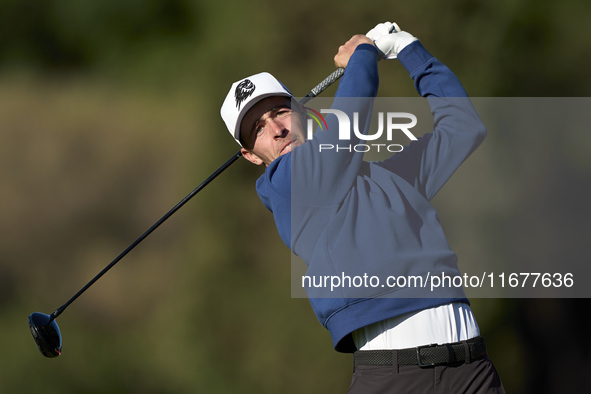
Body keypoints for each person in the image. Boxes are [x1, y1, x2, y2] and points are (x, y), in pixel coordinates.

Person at [220, 22, 504, 393]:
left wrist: (409, 49)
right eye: (257, 128)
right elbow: (350, 119)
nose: (276, 129)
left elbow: (464, 128)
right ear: (250, 156)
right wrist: (364, 54)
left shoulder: (387, 178)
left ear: (302, 113)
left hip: (473, 370)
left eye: (280, 112)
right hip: (395, 378)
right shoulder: (285, 183)